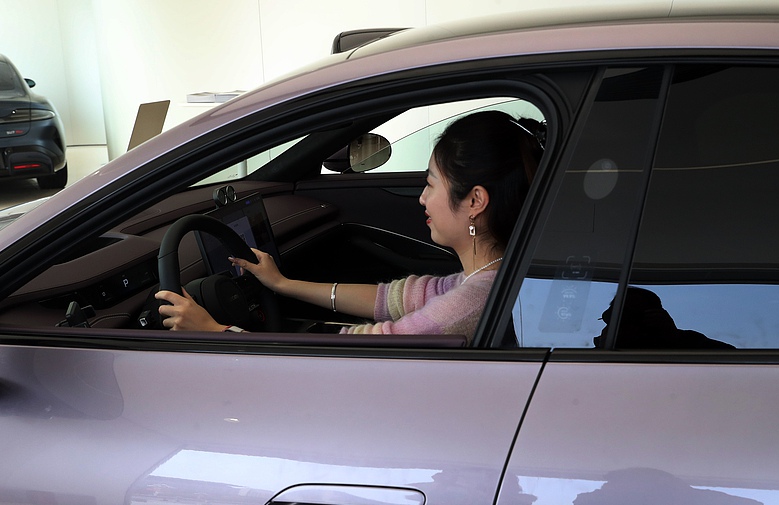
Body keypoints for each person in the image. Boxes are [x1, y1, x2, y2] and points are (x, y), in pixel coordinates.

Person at [156, 110, 543, 342]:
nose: (422, 198)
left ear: (474, 201)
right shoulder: (487, 278)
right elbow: (402, 298)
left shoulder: (472, 302)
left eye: (430, 184)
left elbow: (364, 351)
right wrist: (283, 284)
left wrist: (217, 333)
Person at [594, 287, 735, 349]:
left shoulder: (686, 343)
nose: (622, 323)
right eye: (613, 317)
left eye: (631, 315)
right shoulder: (593, 355)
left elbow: (730, 357)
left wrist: (675, 338)